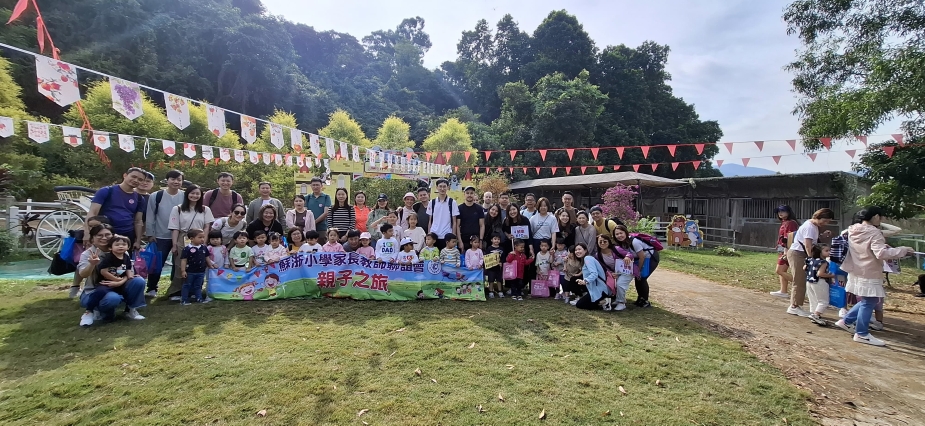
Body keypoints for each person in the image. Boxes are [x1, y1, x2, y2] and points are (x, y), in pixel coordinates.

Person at [834, 207, 914, 346]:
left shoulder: (852, 229)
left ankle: (846, 321)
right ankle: (861, 333)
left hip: (856, 269)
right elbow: (881, 253)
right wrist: (903, 250)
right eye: (880, 217)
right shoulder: (874, 232)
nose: (881, 220)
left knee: (867, 300)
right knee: (870, 300)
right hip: (869, 270)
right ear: (876, 216)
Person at [83, 234, 147, 321]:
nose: (120, 246)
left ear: (128, 247)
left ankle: (131, 309)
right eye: (117, 245)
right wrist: (116, 279)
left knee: (138, 281)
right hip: (106, 283)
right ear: (110, 248)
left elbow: (128, 268)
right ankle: (90, 310)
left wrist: (130, 276)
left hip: (120, 283)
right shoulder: (109, 258)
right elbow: (103, 271)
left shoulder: (126, 256)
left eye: (124, 244)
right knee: (99, 292)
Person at [786, 208, 835, 316]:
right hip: (798, 254)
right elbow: (807, 245)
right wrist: (811, 258)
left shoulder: (813, 226)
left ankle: (801, 305)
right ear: (818, 217)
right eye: (825, 221)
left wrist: (822, 236)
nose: (825, 223)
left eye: (828, 222)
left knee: (804, 280)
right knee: (799, 280)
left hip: (801, 253)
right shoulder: (810, 227)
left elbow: (812, 242)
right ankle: (794, 306)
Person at [144, 169, 185, 298]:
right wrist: (150, 234)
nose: (176, 182)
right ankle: (152, 288)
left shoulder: (185, 196)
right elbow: (150, 216)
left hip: (180, 236)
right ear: (167, 180)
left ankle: (174, 289)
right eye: (173, 179)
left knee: (178, 264)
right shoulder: (156, 196)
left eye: (179, 179)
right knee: (157, 263)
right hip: (160, 236)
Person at [84, 167, 147, 250]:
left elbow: (138, 221)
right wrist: (87, 233)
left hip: (126, 236)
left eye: (140, 179)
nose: (136, 180)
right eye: (133, 176)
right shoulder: (106, 191)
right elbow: (92, 213)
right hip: (105, 235)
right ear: (125, 175)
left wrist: (138, 241)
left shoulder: (139, 198)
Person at [77, 224, 115, 326]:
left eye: (107, 235)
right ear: (92, 239)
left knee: (138, 282)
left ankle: (130, 309)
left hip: (116, 287)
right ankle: (92, 310)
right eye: (99, 235)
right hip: (93, 291)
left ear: (113, 235)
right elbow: (83, 274)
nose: (104, 238)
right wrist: (92, 264)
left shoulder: (120, 250)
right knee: (112, 299)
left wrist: (120, 282)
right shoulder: (87, 254)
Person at [69, 215, 110, 298]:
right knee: (82, 265)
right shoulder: (89, 239)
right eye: (90, 226)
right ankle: (76, 287)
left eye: (96, 226)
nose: (92, 228)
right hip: (87, 266)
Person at [574, 242, 615, 311]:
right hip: (596, 289)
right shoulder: (586, 259)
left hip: (600, 290)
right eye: (576, 250)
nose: (577, 251)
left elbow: (594, 273)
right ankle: (602, 302)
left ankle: (604, 301)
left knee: (580, 305)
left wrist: (585, 281)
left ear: (585, 250)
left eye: (579, 249)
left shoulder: (587, 258)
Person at [772, 205, 800, 299]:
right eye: (779, 212)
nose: (780, 213)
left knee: (779, 270)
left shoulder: (790, 223)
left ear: (788, 212)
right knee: (782, 271)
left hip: (787, 249)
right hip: (783, 249)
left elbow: (790, 238)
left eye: (783, 211)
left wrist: (786, 251)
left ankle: (802, 285)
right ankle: (783, 291)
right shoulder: (785, 222)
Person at [608, 227, 639, 311]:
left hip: (628, 269)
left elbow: (630, 254)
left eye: (621, 233)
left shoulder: (632, 242)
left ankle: (621, 303)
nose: (619, 235)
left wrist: (628, 257)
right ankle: (619, 300)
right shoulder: (617, 245)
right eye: (617, 234)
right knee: (617, 284)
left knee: (620, 284)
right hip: (619, 270)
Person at [805, 244, 834, 325]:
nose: (829, 252)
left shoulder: (811, 260)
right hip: (819, 282)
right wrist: (831, 276)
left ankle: (813, 314)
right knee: (823, 301)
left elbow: (804, 267)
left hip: (809, 281)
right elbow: (820, 274)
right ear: (820, 252)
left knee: (813, 300)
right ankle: (816, 315)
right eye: (827, 251)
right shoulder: (823, 262)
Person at [427, 178, 459, 250]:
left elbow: (454, 222)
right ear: (437, 187)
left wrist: (453, 238)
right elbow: (430, 221)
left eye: (444, 186)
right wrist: (429, 236)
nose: (442, 189)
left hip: (447, 236)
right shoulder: (432, 202)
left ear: (448, 187)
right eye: (440, 186)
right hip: (434, 235)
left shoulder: (452, 202)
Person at [179, 229, 209, 305]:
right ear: (192, 238)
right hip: (190, 271)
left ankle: (199, 298)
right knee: (187, 285)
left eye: (203, 237)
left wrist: (211, 264)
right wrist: (183, 270)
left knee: (198, 285)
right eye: (200, 237)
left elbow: (207, 257)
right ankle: (184, 300)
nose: (202, 239)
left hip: (201, 271)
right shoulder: (187, 249)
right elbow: (184, 260)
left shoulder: (204, 247)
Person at [457, 186, 485, 251]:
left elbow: (482, 225)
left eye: (471, 193)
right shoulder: (459, 208)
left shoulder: (479, 208)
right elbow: (457, 226)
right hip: (464, 240)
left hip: (476, 241)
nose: (469, 195)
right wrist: (460, 241)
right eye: (467, 193)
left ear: (474, 194)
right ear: (464, 194)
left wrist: (480, 241)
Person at [305, 177, 331, 243]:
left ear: (321, 186)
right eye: (313, 185)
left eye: (317, 185)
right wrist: (311, 223)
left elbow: (326, 213)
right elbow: (305, 212)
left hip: (322, 228)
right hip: (309, 228)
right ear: (310, 186)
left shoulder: (326, 197)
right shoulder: (307, 197)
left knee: (322, 245)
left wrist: (314, 222)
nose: (315, 187)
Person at [485, 233, 505, 298]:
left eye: (498, 239)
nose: (497, 240)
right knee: (491, 280)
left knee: (499, 280)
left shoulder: (501, 248)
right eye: (495, 239)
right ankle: (490, 291)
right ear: (491, 240)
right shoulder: (489, 248)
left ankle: (500, 291)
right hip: (491, 268)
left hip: (499, 268)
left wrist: (502, 262)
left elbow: (503, 257)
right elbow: (486, 258)